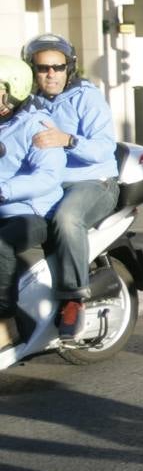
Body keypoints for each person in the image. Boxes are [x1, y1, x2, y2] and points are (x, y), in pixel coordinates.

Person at [22, 34, 120, 343]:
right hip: (46, 181)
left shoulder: (87, 98)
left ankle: (72, 300)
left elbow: (104, 149)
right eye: (42, 68)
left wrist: (68, 139)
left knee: (66, 219)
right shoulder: (28, 102)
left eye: (57, 67)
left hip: (93, 181)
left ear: (69, 68)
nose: (50, 74)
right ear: (32, 71)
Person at [0, 56, 64, 351]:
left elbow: (48, 176)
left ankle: (6, 322)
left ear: (12, 90)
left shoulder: (36, 126)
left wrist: (4, 190)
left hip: (32, 211)